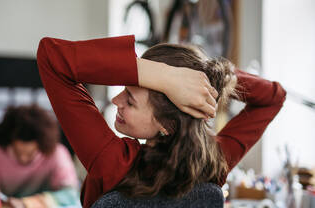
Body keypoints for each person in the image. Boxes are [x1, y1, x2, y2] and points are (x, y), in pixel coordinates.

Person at [37, 35, 286, 208]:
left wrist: (169, 76)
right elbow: (273, 97)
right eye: (125, 88)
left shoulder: (112, 162)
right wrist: (206, 75)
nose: (116, 100)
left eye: (131, 100)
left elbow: (51, 56)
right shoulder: (214, 162)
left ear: (167, 125)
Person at [0, 104, 80, 207]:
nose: (23, 158)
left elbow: (70, 195)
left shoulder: (57, 154)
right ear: (9, 141)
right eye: (17, 152)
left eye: (30, 153)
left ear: (42, 144)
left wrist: (26, 204)